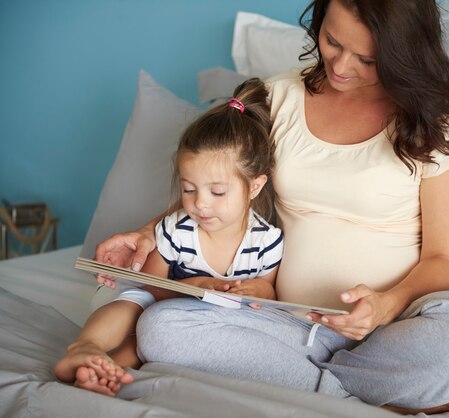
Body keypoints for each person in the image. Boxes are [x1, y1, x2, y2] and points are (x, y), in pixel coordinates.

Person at [96, 0, 449, 413]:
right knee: (163, 328)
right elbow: (216, 183)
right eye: (332, 41)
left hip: (394, 329)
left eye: (366, 59)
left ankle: (331, 383)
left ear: (402, 55)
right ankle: (379, 394)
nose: (341, 66)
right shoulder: (279, 96)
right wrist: (148, 232)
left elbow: (444, 258)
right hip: (282, 324)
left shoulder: (438, 121)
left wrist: (386, 306)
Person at [54, 78, 283, 397]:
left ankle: (101, 372)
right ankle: (85, 348)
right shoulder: (179, 228)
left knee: (145, 346)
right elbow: (151, 286)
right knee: (133, 308)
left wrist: (258, 290)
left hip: (198, 326)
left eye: (217, 191)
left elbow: (269, 290)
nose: (200, 203)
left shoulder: (266, 241)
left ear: (255, 187)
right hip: (160, 305)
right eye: (189, 189)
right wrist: (195, 288)